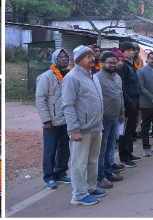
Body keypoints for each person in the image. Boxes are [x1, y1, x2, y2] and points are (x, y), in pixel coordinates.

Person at [61, 46, 107, 206]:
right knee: (79, 163)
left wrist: (100, 125)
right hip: (81, 130)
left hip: (95, 127)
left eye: (92, 55)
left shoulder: (92, 76)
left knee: (93, 160)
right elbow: (68, 105)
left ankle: (90, 188)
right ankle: (79, 195)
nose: (92, 58)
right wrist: (74, 130)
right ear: (79, 59)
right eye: (88, 56)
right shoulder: (71, 78)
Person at [35, 49, 71, 189]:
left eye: (65, 57)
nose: (63, 59)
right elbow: (40, 99)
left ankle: (61, 172)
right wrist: (46, 120)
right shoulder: (46, 77)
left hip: (67, 120)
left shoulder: (69, 74)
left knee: (65, 148)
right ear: (54, 59)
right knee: (50, 150)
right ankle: (49, 176)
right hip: (52, 121)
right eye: (60, 57)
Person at [95, 52, 124, 188]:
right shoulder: (97, 78)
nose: (113, 65)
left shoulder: (117, 77)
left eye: (114, 62)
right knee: (102, 149)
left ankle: (109, 170)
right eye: (110, 63)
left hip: (115, 117)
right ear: (102, 63)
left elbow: (120, 95)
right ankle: (100, 177)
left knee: (111, 146)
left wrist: (122, 112)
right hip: (103, 119)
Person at [116, 42, 142, 167]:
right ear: (123, 52)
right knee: (125, 131)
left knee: (131, 129)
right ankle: (124, 157)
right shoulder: (122, 66)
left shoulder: (131, 65)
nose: (132, 52)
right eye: (129, 50)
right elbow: (123, 86)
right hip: (128, 101)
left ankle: (129, 153)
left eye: (133, 50)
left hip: (135, 100)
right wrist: (128, 102)